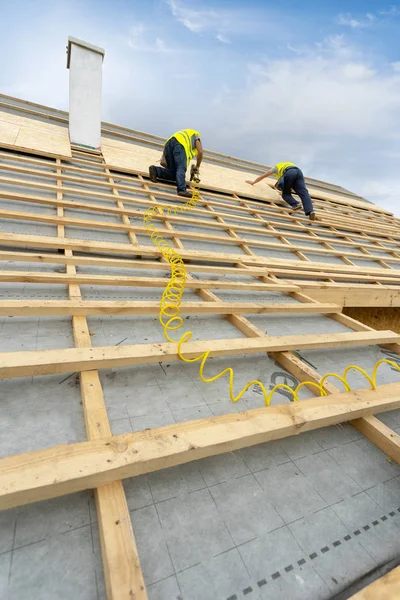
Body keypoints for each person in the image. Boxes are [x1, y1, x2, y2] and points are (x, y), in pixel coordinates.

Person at [246, 162, 316, 221]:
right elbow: (292, 184)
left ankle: (295, 204)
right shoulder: (287, 164)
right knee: (304, 193)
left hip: (289, 173)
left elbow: (263, 176)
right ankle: (310, 211)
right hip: (299, 172)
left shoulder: (275, 168)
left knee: (285, 194)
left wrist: (253, 182)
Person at [149, 129, 203, 198]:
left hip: (168, 145)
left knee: (174, 174)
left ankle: (156, 170)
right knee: (181, 167)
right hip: (179, 145)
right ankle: (182, 190)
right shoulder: (196, 135)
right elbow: (200, 152)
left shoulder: (185, 136)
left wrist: (164, 156)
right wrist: (197, 166)